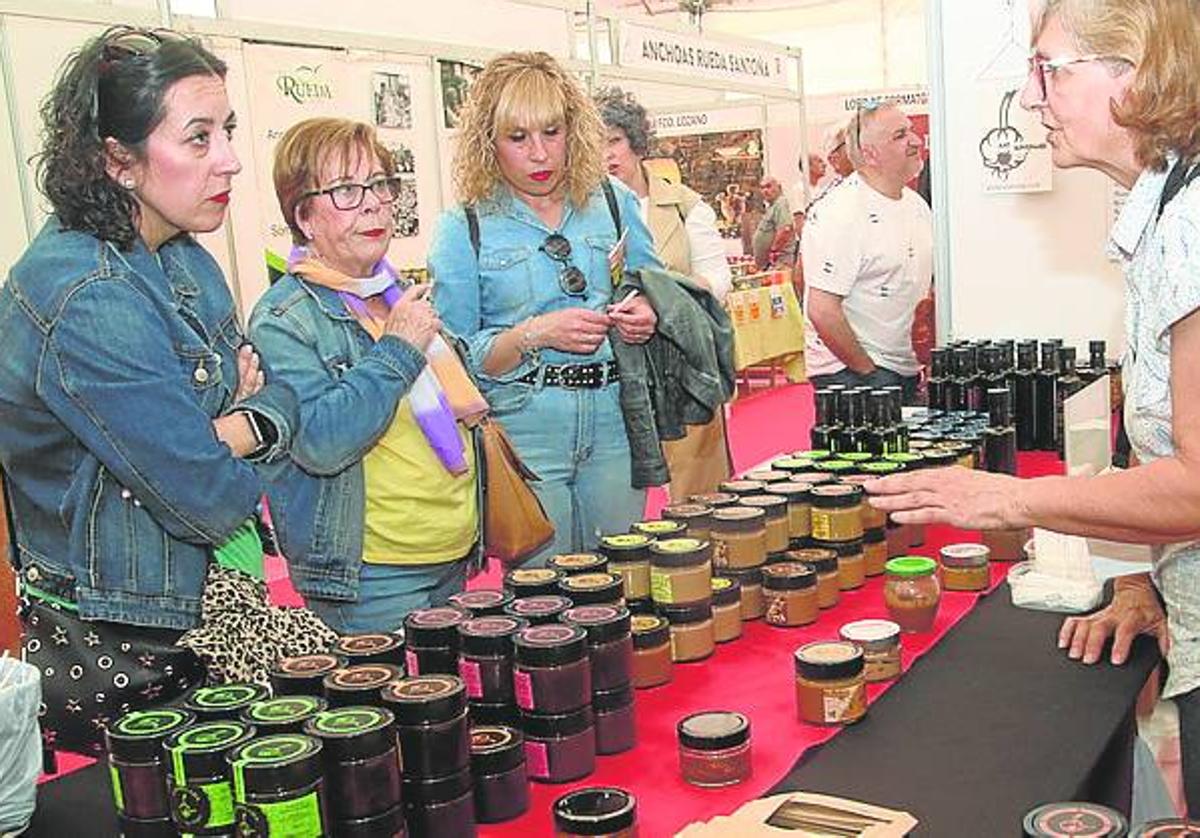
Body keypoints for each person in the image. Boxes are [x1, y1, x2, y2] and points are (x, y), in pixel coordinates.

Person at [867, 0, 1200, 814]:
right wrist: (1139, 577)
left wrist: (1004, 497)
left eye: (1049, 69)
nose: (1029, 97)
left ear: (1138, 71)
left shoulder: (1192, 219)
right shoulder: (1161, 199)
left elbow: (1197, 484)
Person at [0, 26, 326, 754]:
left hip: (206, 602)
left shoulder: (181, 259)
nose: (232, 161)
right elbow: (209, 495)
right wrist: (234, 429)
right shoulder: (84, 294)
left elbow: (280, 401)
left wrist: (229, 428)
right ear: (119, 160)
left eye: (229, 131)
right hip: (125, 637)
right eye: (199, 138)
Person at [250, 118, 482, 633]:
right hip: (371, 574)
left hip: (451, 552)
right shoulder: (285, 318)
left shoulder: (396, 292)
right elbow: (321, 442)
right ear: (304, 216)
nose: (375, 203)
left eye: (380, 184)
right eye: (347, 191)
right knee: (392, 712)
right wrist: (398, 348)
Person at [428, 52, 661, 565]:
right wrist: (533, 333)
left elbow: (651, 286)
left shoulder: (614, 201)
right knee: (543, 604)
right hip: (524, 428)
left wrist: (645, 312)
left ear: (574, 130)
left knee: (625, 586)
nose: (539, 154)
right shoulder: (464, 228)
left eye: (551, 132)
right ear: (489, 142)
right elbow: (455, 361)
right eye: (518, 138)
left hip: (615, 421)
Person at [595, 86, 734, 500]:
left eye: (614, 141)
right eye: (595, 144)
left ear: (636, 142)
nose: (606, 155)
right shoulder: (582, 212)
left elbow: (717, 281)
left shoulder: (687, 206)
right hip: (616, 375)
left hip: (682, 368)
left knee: (698, 498)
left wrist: (661, 301)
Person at [801, 102, 932, 402]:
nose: (915, 140)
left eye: (911, 130)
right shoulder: (840, 213)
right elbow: (822, 310)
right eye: (900, 135)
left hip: (902, 369)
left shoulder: (916, 206)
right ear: (870, 153)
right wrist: (869, 373)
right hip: (852, 374)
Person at [751, 176, 793, 269]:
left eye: (768, 186)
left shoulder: (781, 203)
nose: (765, 190)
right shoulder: (772, 206)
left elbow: (786, 229)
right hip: (772, 263)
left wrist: (773, 251)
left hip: (780, 261)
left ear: (779, 187)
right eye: (762, 188)